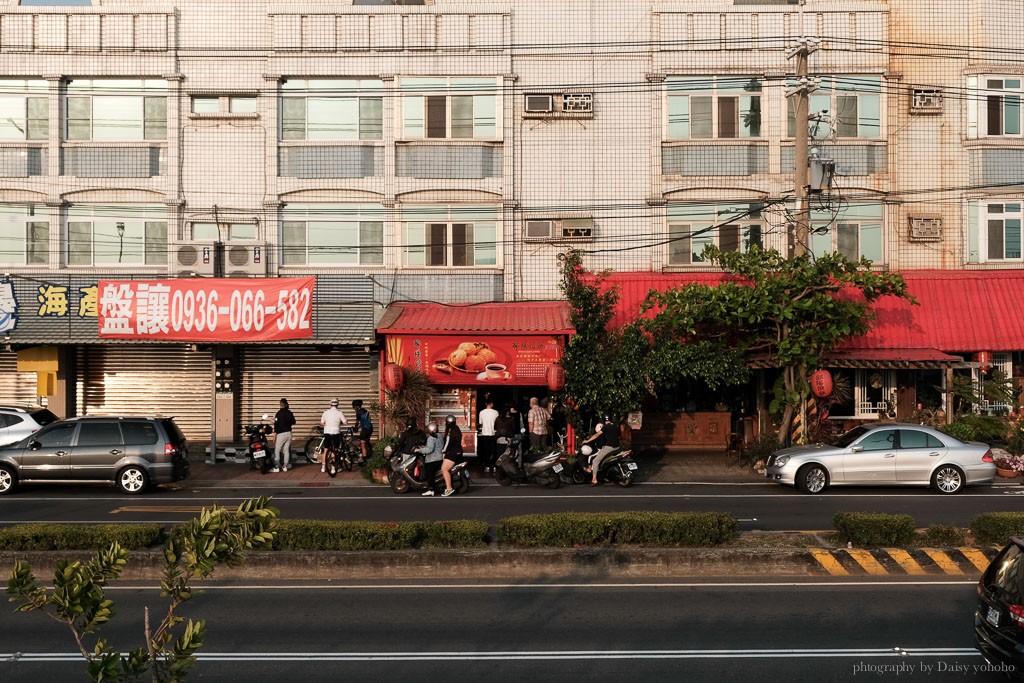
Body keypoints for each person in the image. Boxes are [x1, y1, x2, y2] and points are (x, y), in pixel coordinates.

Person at [588, 415, 622, 486]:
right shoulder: (615, 426)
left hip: (609, 447)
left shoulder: (605, 427)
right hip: (617, 447)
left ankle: (594, 480)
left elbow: (597, 435)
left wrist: (588, 440)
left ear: (604, 420)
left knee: (595, 461)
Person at [319, 398, 347, 475]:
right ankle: (333, 468)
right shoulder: (339, 413)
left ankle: (323, 467)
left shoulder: (325, 412)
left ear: (330, 404)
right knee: (335, 450)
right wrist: (339, 423)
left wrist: (327, 424)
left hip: (327, 432)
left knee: (326, 450)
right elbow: (345, 422)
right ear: (337, 404)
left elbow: (322, 423)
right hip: (336, 433)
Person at [415, 422, 444, 496]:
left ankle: (431, 489)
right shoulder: (440, 436)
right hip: (440, 458)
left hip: (433, 459)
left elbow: (429, 450)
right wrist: (424, 447)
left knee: (429, 474)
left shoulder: (431, 438)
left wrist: (419, 450)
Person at [440, 414, 463, 497]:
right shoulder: (457, 429)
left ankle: (449, 489)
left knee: (444, 469)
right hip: (458, 451)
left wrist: (443, 451)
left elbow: (448, 443)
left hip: (453, 452)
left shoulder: (450, 430)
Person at [271, 398, 296, 473]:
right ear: (286, 405)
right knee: (286, 450)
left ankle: (277, 466)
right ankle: (285, 466)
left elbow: (276, 424)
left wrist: (274, 434)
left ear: (280, 404)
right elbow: (294, 422)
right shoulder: (290, 413)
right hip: (289, 433)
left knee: (277, 450)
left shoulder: (278, 413)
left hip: (281, 434)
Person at [477, 398, 499, 474]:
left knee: (486, 451)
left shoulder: (481, 412)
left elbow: (480, 423)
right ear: (491, 404)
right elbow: (497, 423)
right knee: (494, 451)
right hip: (493, 434)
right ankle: (494, 466)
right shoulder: (496, 412)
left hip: (485, 434)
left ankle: (487, 466)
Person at [352, 399, 372, 464]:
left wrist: (355, 428)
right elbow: (366, 421)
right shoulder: (365, 411)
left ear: (357, 406)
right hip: (370, 428)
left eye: (354, 407)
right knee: (367, 441)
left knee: (362, 444)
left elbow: (357, 422)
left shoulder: (359, 412)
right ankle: (369, 454)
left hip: (365, 429)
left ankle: (364, 459)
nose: (353, 408)